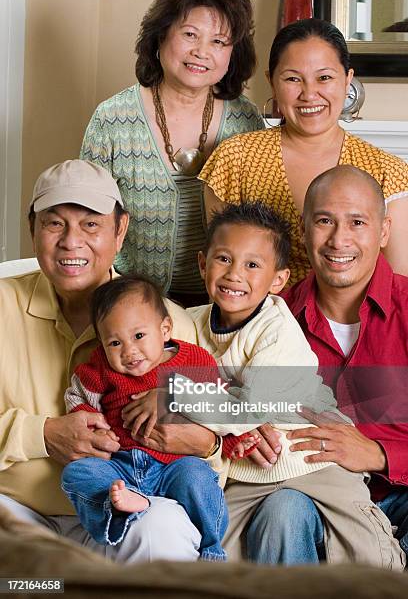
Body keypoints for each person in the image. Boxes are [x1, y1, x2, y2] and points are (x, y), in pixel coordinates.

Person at [0, 159, 220, 563]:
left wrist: (207, 443)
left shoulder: (168, 324)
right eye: (54, 223)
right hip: (16, 514)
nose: (71, 241)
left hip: (134, 507)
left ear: (120, 231)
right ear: (32, 229)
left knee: (164, 529)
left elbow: (217, 442)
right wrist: (41, 434)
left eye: (90, 224)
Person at [175, 201, 402, 568]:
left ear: (278, 280)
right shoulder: (189, 323)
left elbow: (247, 407)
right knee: (217, 552)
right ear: (203, 264)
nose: (235, 274)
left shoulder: (277, 328)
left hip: (313, 455)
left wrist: (181, 395)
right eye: (223, 259)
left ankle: (389, 566)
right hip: (245, 471)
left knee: (365, 551)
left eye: (252, 265)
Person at [246, 164, 408, 565]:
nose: (339, 240)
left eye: (357, 222)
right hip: (309, 494)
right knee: (280, 511)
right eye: (324, 221)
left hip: (401, 496)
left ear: (383, 231)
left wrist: (378, 453)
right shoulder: (268, 321)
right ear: (303, 230)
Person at [80, 0, 264, 305]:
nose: (201, 51)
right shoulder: (111, 119)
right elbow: (87, 223)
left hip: (224, 304)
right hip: (131, 304)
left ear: (233, 53)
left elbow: (260, 224)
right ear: (161, 36)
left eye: (219, 41)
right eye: (190, 34)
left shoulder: (246, 120)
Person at [200, 18, 408, 287]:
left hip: (355, 324)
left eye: (324, 78)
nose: (309, 94)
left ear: (347, 81)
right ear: (272, 82)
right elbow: (222, 271)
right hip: (257, 321)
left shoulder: (387, 171)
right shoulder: (233, 159)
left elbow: (398, 283)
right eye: (293, 79)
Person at [62, 274, 229, 561]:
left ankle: (212, 550)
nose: (129, 351)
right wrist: (93, 426)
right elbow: (76, 396)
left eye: (139, 336)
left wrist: (170, 394)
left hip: (175, 465)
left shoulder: (194, 360)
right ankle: (118, 511)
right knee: (77, 473)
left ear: (165, 329)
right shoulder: (101, 368)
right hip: (120, 466)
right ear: (101, 343)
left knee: (198, 478)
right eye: (114, 343)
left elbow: (220, 404)